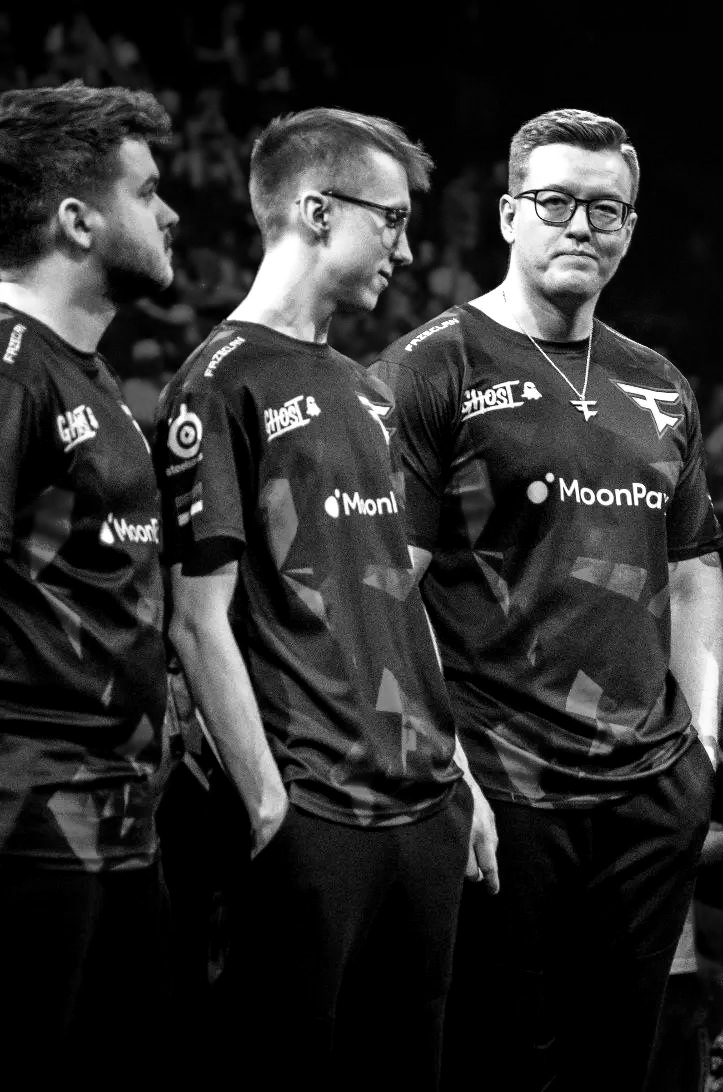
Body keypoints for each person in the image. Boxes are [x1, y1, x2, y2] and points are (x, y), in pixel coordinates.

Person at [370, 108, 723, 1091]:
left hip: (651, 791)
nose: (581, 225)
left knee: (620, 1067)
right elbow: (389, 589)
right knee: (501, 1067)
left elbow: (694, 570)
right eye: (557, 201)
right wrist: (449, 767)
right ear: (508, 215)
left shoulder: (659, 384)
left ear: (630, 229)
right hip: (503, 784)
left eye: (606, 209)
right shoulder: (430, 365)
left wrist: (699, 745)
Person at [157, 108, 487, 1087]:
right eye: (391, 219)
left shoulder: (368, 389)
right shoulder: (218, 384)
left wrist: (460, 773)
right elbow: (196, 619)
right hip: (314, 815)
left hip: (422, 807)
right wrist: (269, 806)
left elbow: (398, 591)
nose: (407, 249)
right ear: (316, 209)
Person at [0, 82, 175, 1078]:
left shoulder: (84, 373)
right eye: (147, 192)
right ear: (76, 220)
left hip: (118, 823)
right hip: (28, 826)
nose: (170, 212)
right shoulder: (9, 366)